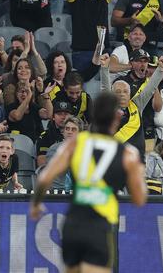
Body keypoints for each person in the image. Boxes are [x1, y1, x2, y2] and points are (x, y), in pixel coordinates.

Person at [29, 92, 148, 272]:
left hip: (73, 224)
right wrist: (138, 174)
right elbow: (139, 199)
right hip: (100, 227)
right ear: (118, 116)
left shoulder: (75, 143)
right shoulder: (128, 154)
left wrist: (36, 204)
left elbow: (45, 177)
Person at [100, 51, 163, 160]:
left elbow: (151, 87)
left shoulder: (136, 104)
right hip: (113, 157)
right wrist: (104, 68)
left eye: (125, 91)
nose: (122, 94)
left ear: (130, 94)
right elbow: (104, 87)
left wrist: (161, 69)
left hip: (136, 159)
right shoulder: (109, 107)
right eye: (118, 91)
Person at [36, 100, 73, 167]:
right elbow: (42, 162)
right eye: (59, 114)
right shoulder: (46, 136)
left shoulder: (77, 134)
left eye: (66, 114)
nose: (63, 117)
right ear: (53, 117)